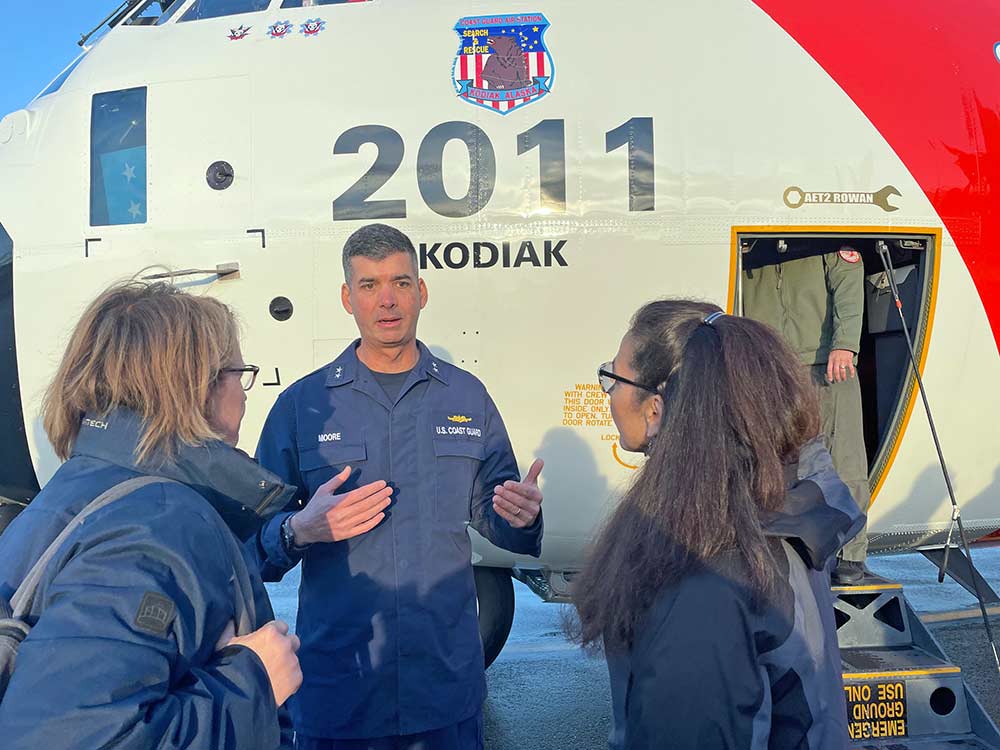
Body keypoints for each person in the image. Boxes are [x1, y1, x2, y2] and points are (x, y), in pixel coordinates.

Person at [250, 223, 545, 750]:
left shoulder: (466, 396)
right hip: (342, 690)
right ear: (347, 297)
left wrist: (521, 519)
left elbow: (495, 515)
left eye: (401, 282)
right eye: (369, 285)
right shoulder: (303, 407)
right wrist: (299, 529)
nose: (387, 300)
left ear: (422, 291)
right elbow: (253, 545)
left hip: (444, 689)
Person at [0, 280, 305, 749]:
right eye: (237, 373)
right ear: (196, 387)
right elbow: (72, 737)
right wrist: (252, 684)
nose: (244, 395)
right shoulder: (156, 523)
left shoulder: (78, 489)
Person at [573, 300, 865, 750]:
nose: (608, 392)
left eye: (613, 376)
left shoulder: (702, 578)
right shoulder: (776, 512)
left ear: (655, 409)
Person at [742, 240, 871, 584]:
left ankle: (851, 556)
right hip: (768, 368)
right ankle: (777, 549)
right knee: (768, 462)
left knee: (845, 459)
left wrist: (845, 344)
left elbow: (847, 279)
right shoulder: (750, 245)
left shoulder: (827, 239)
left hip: (826, 364)